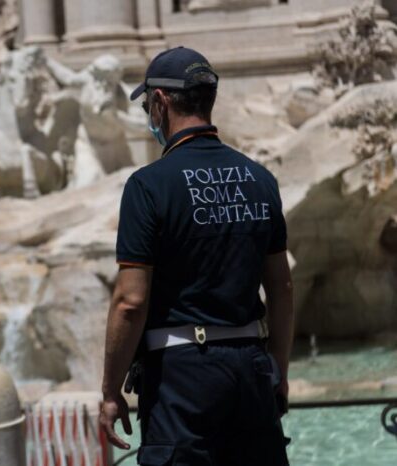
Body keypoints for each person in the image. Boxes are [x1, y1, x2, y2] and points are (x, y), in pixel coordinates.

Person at [100, 46, 294, 466]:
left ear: (161, 102)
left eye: (149, 104)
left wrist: (111, 390)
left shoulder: (148, 186)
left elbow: (130, 302)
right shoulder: (260, 179)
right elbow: (281, 285)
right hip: (252, 370)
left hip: (181, 378)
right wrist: (278, 368)